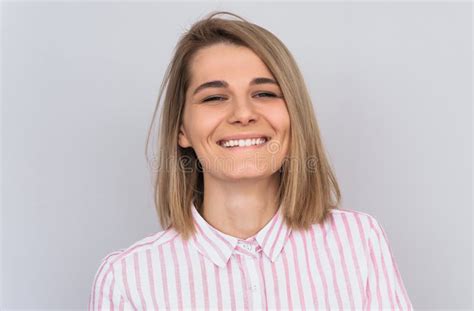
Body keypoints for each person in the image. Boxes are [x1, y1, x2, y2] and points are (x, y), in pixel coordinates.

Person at [88, 11, 413, 310]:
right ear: (181, 129)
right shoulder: (128, 281)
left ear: (294, 115)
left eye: (265, 94)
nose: (243, 114)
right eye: (214, 98)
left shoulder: (359, 242)